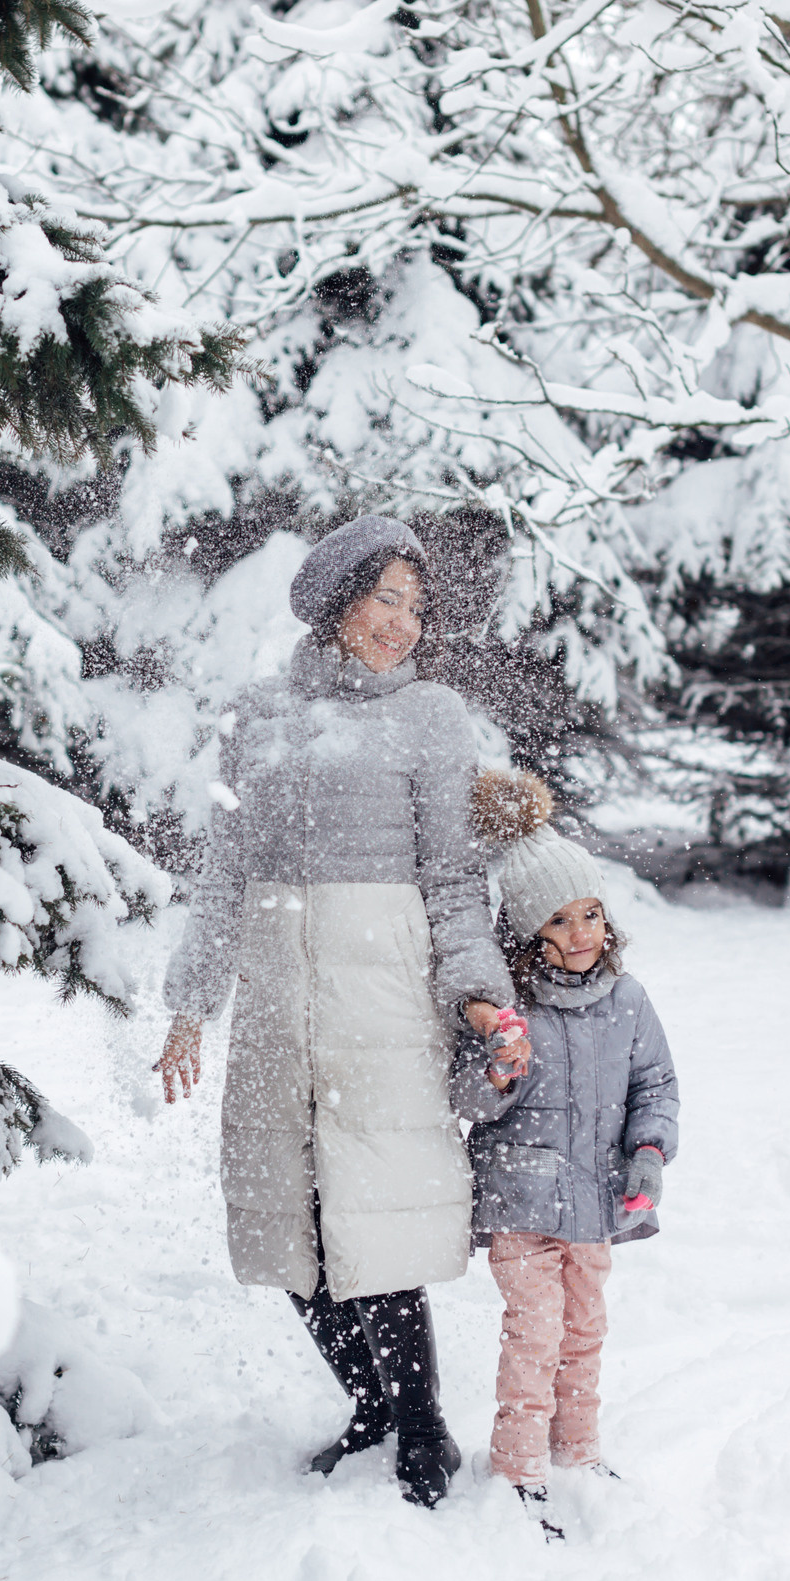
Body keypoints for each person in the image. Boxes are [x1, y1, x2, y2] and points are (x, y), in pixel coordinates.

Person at [152, 515, 526, 1508]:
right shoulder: (260, 714)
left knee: (370, 1215)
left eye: (414, 604)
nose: (401, 624)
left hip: (383, 997)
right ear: (335, 603)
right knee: (290, 1212)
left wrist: (480, 996)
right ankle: (366, 1405)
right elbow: (227, 866)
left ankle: (419, 1430)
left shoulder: (432, 718)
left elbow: (451, 877)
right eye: (382, 600)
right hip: (279, 994)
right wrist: (192, 1003)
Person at [455, 769, 679, 1540]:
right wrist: (496, 1069)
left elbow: (656, 1083)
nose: (582, 931)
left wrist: (649, 1152)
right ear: (528, 933)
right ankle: (518, 1466)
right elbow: (466, 1103)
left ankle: (575, 1449)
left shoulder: (628, 999)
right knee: (537, 1330)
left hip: (596, 1200)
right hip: (522, 1203)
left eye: (590, 911)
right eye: (560, 918)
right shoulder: (509, 1010)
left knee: (585, 1329)